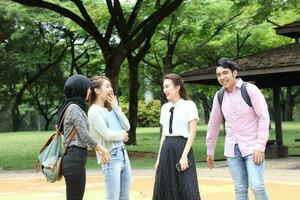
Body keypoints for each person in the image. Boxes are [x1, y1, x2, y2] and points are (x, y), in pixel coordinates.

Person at [206, 57, 270, 200]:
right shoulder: (219, 96)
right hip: (232, 150)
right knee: (240, 190)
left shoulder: (250, 89)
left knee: (257, 186)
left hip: (252, 147)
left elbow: (264, 117)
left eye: (225, 73)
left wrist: (260, 146)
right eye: (218, 75)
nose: (222, 77)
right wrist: (210, 150)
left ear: (234, 73)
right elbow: (213, 124)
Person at [58, 74, 110, 200]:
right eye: (87, 88)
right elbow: (84, 135)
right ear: (79, 89)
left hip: (75, 158)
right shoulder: (74, 108)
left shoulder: (71, 107)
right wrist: (102, 149)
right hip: (74, 158)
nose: (89, 91)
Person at [152, 73, 201, 200]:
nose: (165, 90)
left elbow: (192, 133)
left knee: (186, 187)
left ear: (178, 87)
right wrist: (158, 158)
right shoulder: (164, 108)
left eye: (167, 86)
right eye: (163, 87)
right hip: (166, 149)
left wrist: (184, 155)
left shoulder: (189, 105)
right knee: (165, 187)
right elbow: (164, 135)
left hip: (182, 147)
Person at [88, 75, 131, 200]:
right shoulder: (94, 111)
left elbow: (127, 126)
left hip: (122, 154)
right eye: (107, 86)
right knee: (113, 197)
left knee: (124, 197)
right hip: (110, 157)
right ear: (97, 90)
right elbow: (106, 134)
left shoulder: (107, 110)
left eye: (110, 86)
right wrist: (122, 135)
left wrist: (116, 107)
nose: (111, 89)